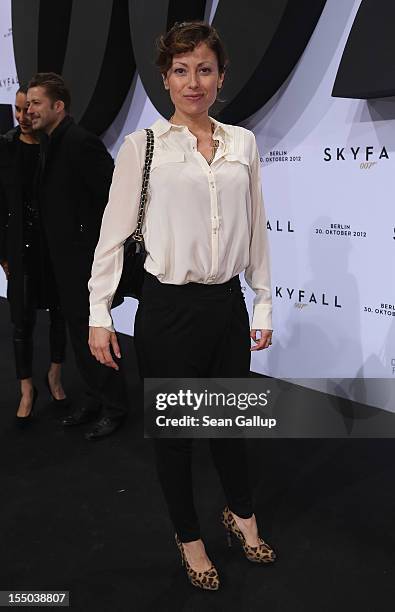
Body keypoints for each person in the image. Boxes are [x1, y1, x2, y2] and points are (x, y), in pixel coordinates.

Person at [88, 21, 275, 589]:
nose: (193, 81)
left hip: (226, 306)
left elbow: (259, 233)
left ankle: (241, 516)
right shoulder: (142, 147)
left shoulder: (243, 143)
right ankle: (189, 537)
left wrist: (262, 305)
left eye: (204, 69)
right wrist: (99, 313)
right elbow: (113, 236)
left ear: (221, 76)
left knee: (229, 427)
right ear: (165, 79)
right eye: (180, 70)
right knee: (176, 436)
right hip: (168, 311)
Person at [26, 73, 128, 440]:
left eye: (37, 103)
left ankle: (115, 405)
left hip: (86, 262)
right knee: (79, 333)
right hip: (62, 261)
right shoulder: (48, 143)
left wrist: (94, 247)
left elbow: (114, 200)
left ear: (59, 106)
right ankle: (96, 397)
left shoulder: (81, 143)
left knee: (95, 332)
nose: (29, 110)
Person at [0, 85, 67, 421]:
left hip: (53, 246)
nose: (23, 116)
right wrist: (3, 253)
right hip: (18, 247)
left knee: (60, 314)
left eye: (29, 109)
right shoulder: (5, 148)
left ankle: (54, 374)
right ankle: (26, 387)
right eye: (17, 109)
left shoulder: (55, 147)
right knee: (20, 321)